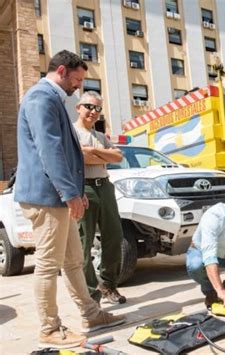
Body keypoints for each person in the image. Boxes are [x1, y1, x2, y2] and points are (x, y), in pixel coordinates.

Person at [15, 50, 125, 349]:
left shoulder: (52, 99)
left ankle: (91, 314)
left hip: (58, 197)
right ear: (62, 71)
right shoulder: (42, 97)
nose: (78, 87)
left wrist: (74, 192)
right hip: (46, 197)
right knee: (49, 265)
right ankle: (50, 328)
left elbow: (67, 151)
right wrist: (70, 193)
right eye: (76, 80)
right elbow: (50, 150)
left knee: (75, 261)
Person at [74, 91, 126, 304]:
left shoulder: (101, 136)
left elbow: (119, 156)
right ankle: (90, 294)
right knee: (84, 244)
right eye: (89, 106)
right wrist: (100, 154)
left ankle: (108, 284)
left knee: (114, 237)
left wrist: (92, 152)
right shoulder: (71, 132)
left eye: (97, 109)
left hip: (105, 187)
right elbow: (80, 156)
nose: (93, 112)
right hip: (84, 188)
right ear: (79, 107)